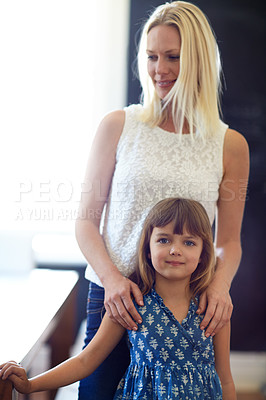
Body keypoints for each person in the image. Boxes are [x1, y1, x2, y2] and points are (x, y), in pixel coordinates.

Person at [75, 1, 249, 398]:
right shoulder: (118, 125)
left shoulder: (230, 145)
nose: (159, 69)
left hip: (185, 305)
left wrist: (219, 287)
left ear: (200, 61)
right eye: (152, 56)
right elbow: (85, 221)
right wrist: (113, 281)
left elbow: (229, 241)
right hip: (114, 299)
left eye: (173, 57)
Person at [0, 198, 236, 400]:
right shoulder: (130, 304)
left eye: (189, 242)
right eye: (164, 240)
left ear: (203, 253)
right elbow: (85, 361)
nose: (175, 250)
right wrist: (30, 385)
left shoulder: (214, 309)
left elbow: (224, 379)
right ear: (147, 248)